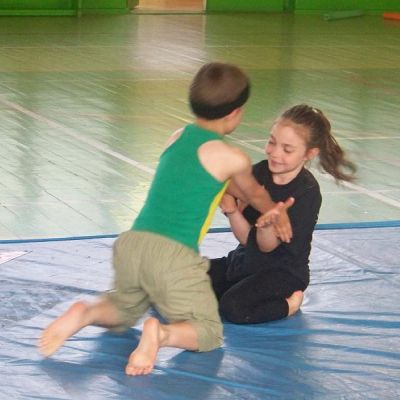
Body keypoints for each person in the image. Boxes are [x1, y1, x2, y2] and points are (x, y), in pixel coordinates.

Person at [39, 62, 294, 376]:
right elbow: (254, 193)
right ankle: (161, 335)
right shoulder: (232, 157)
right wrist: (276, 211)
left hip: (132, 244)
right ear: (235, 113)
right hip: (173, 255)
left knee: (123, 310)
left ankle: (85, 313)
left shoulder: (177, 136)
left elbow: (197, 181)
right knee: (209, 331)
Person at [209, 104, 356, 324]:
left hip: (282, 272)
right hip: (246, 260)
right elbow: (245, 238)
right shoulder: (259, 172)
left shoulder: (306, 192)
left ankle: (289, 305)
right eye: (271, 142)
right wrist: (231, 210)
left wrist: (266, 226)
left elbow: (266, 246)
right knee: (181, 280)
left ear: (309, 153)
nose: (275, 153)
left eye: (287, 149)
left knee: (234, 308)